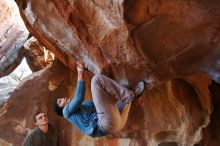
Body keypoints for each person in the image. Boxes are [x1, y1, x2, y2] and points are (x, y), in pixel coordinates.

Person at [53, 62, 148, 137]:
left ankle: (133, 95)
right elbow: (78, 98)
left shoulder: (83, 107)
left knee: (125, 87)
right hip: (107, 124)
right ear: (61, 109)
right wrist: (80, 72)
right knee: (96, 80)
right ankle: (131, 96)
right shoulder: (66, 113)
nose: (63, 98)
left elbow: (104, 102)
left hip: (116, 122)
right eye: (60, 101)